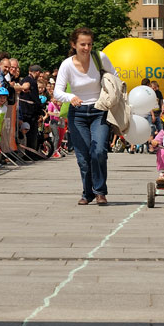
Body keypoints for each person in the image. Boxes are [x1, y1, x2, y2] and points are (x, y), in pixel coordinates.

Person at [53, 27, 116, 205]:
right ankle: (87, 193)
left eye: (89, 44)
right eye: (82, 44)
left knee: (98, 151)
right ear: (74, 45)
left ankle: (100, 191)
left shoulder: (100, 58)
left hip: (99, 110)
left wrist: (111, 92)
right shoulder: (67, 65)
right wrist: (70, 97)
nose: (86, 48)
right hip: (78, 113)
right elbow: (57, 92)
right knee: (83, 157)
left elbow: (114, 77)